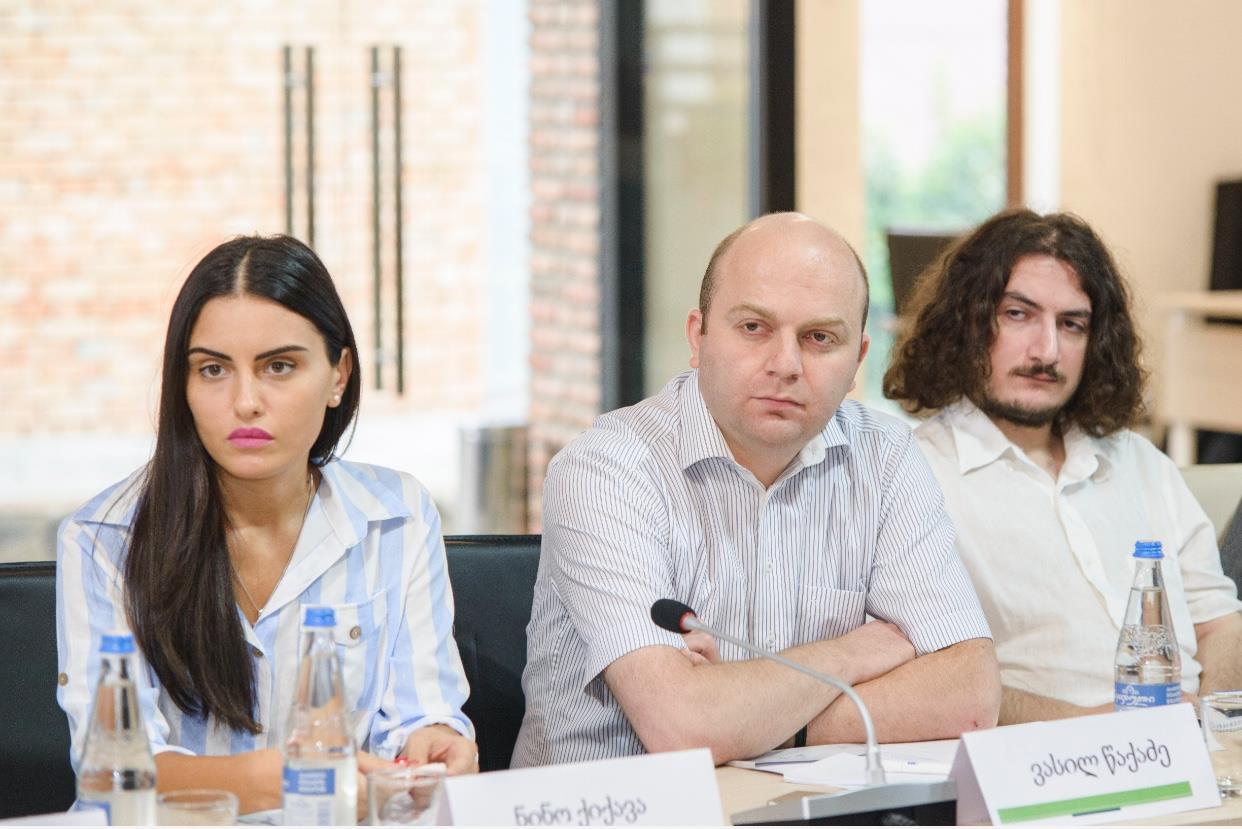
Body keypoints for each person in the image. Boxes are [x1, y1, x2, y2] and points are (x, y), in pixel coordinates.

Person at [513, 212, 1000, 768]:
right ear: (697, 336)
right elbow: (684, 726)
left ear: (857, 361)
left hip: (806, 803)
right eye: (753, 328)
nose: (786, 365)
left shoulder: (885, 456)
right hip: (616, 806)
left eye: (820, 338)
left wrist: (749, 718)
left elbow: (969, 694)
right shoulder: (607, 470)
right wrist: (850, 654)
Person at [56, 235, 477, 814]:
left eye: (279, 366)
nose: (246, 402)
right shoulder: (106, 538)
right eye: (213, 369)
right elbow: (111, 771)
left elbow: (422, 715)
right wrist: (284, 779)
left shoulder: (397, 516)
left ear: (338, 375)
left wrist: (435, 743)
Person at [884, 208, 1242, 724]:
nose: (1047, 351)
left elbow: (1220, 624)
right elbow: (931, 682)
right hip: (1042, 760)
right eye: (1017, 314)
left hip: (1195, 749)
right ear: (966, 323)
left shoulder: (1141, 462)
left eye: (1072, 325)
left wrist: (1213, 721)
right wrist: (1098, 728)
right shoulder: (915, 476)